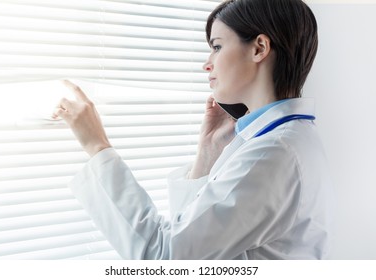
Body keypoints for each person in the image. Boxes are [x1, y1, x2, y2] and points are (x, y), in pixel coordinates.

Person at [53, 0, 334, 259]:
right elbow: (192, 238)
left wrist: (97, 147)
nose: (207, 64)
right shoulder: (288, 138)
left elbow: (164, 258)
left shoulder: (272, 154)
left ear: (259, 48)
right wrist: (208, 152)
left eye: (217, 46)